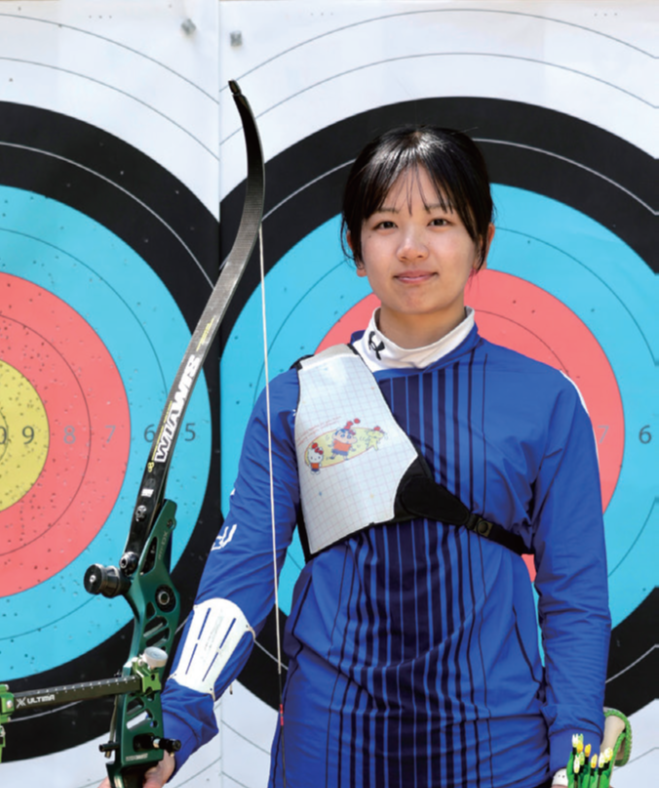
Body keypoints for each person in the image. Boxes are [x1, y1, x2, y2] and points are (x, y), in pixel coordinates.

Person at [109, 126, 610, 788]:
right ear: (355, 246)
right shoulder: (297, 399)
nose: (411, 247)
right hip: (330, 751)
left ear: (481, 242)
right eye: (385, 224)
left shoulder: (545, 399)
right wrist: (171, 723)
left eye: (439, 221)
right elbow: (241, 576)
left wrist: (575, 743)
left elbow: (574, 595)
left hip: (496, 754)